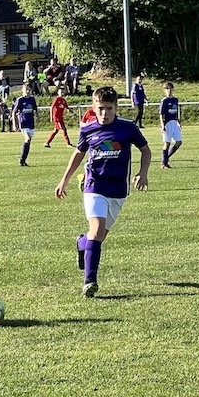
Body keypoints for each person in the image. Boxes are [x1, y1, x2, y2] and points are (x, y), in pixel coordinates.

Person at [55, 86, 151, 298]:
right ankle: (89, 281)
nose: (105, 113)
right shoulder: (88, 129)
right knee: (97, 230)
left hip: (118, 190)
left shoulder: (127, 128)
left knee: (98, 237)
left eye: (109, 108)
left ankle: (82, 243)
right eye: (100, 108)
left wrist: (143, 173)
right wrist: (64, 180)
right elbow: (78, 154)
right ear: (93, 107)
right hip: (94, 186)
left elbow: (145, 150)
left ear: (116, 107)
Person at [12, 82, 39, 166]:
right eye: (26, 89)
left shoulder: (32, 99)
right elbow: (14, 112)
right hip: (23, 122)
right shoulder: (20, 99)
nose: (27, 91)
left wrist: (37, 116)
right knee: (27, 139)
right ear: (22, 90)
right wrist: (14, 124)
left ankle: (23, 160)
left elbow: (35, 109)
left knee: (29, 141)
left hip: (31, 122)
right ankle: (22, 159)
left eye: (29, 90)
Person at [159, 81, 182, 168]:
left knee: (179, 142)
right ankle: (164, 163)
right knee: (167, 143)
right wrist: (162, 125)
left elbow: (176, 112)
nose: (169, 90)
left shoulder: (175, 100)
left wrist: (179, 122)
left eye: (170, 89)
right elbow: (161, 114)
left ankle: (165, 159)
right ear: (164, 90)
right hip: (167, 124)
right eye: (167, 89)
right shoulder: (164, 101)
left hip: (174, 123)